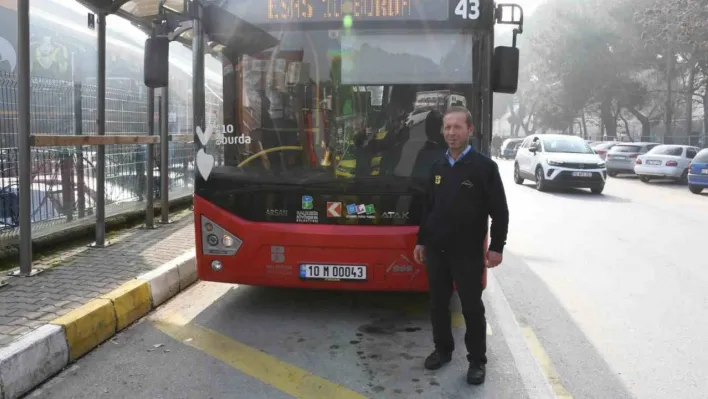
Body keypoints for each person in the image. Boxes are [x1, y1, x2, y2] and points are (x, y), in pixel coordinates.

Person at [413, 106, 509, 385]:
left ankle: (477, 361)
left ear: (470, 131)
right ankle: (442, 350)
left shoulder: (484, 168)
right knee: (438, 304)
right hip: (437, 250)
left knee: (471, 307)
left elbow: (500, 212)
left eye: (457, 127)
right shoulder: (437, 166)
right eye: (447, 128)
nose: (451, 133)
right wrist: (421, 240)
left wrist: (497, 247)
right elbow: (428, 208)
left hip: (467, 253)